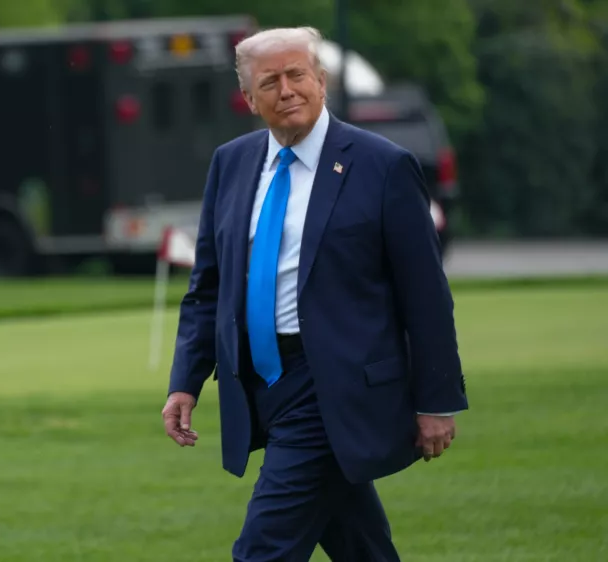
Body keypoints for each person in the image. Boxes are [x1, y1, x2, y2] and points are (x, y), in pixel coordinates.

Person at [160, 26, 469, 561]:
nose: (287, 90)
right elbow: (207, 287)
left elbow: (426, 295)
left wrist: (437, 400)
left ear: (321, 80)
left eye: (297, 74)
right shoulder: (230, 164)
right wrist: (186, 379)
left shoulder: (383, 166)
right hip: (260, 383)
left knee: (264, 549)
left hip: (334, 384)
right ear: (249, 98)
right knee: (360, 544)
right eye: (270, 81)